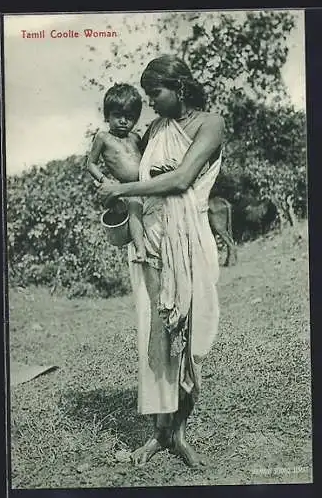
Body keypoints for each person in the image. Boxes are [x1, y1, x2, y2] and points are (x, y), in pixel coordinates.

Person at [98, 55, 225, 468]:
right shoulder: (153, 130)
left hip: (191, 242)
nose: (150, 103)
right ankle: (158, 435)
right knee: (155, 336)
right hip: (150, 242)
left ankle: (181, 435)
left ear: (180, 88)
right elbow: (132, 177)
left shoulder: (210, 123)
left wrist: (121, 189)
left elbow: (181, 179)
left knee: (188, 337)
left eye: (155, 93)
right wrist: (112, 188)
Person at [86, 83, 146, 262]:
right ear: (107, 116)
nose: (123, 121)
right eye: (117, 115)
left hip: (146, 183)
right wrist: (105, 180)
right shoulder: (103, 137)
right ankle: (140, 249)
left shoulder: (136, 137)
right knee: (135, 209)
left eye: (129, 117)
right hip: (127, 188)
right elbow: (91, 164)